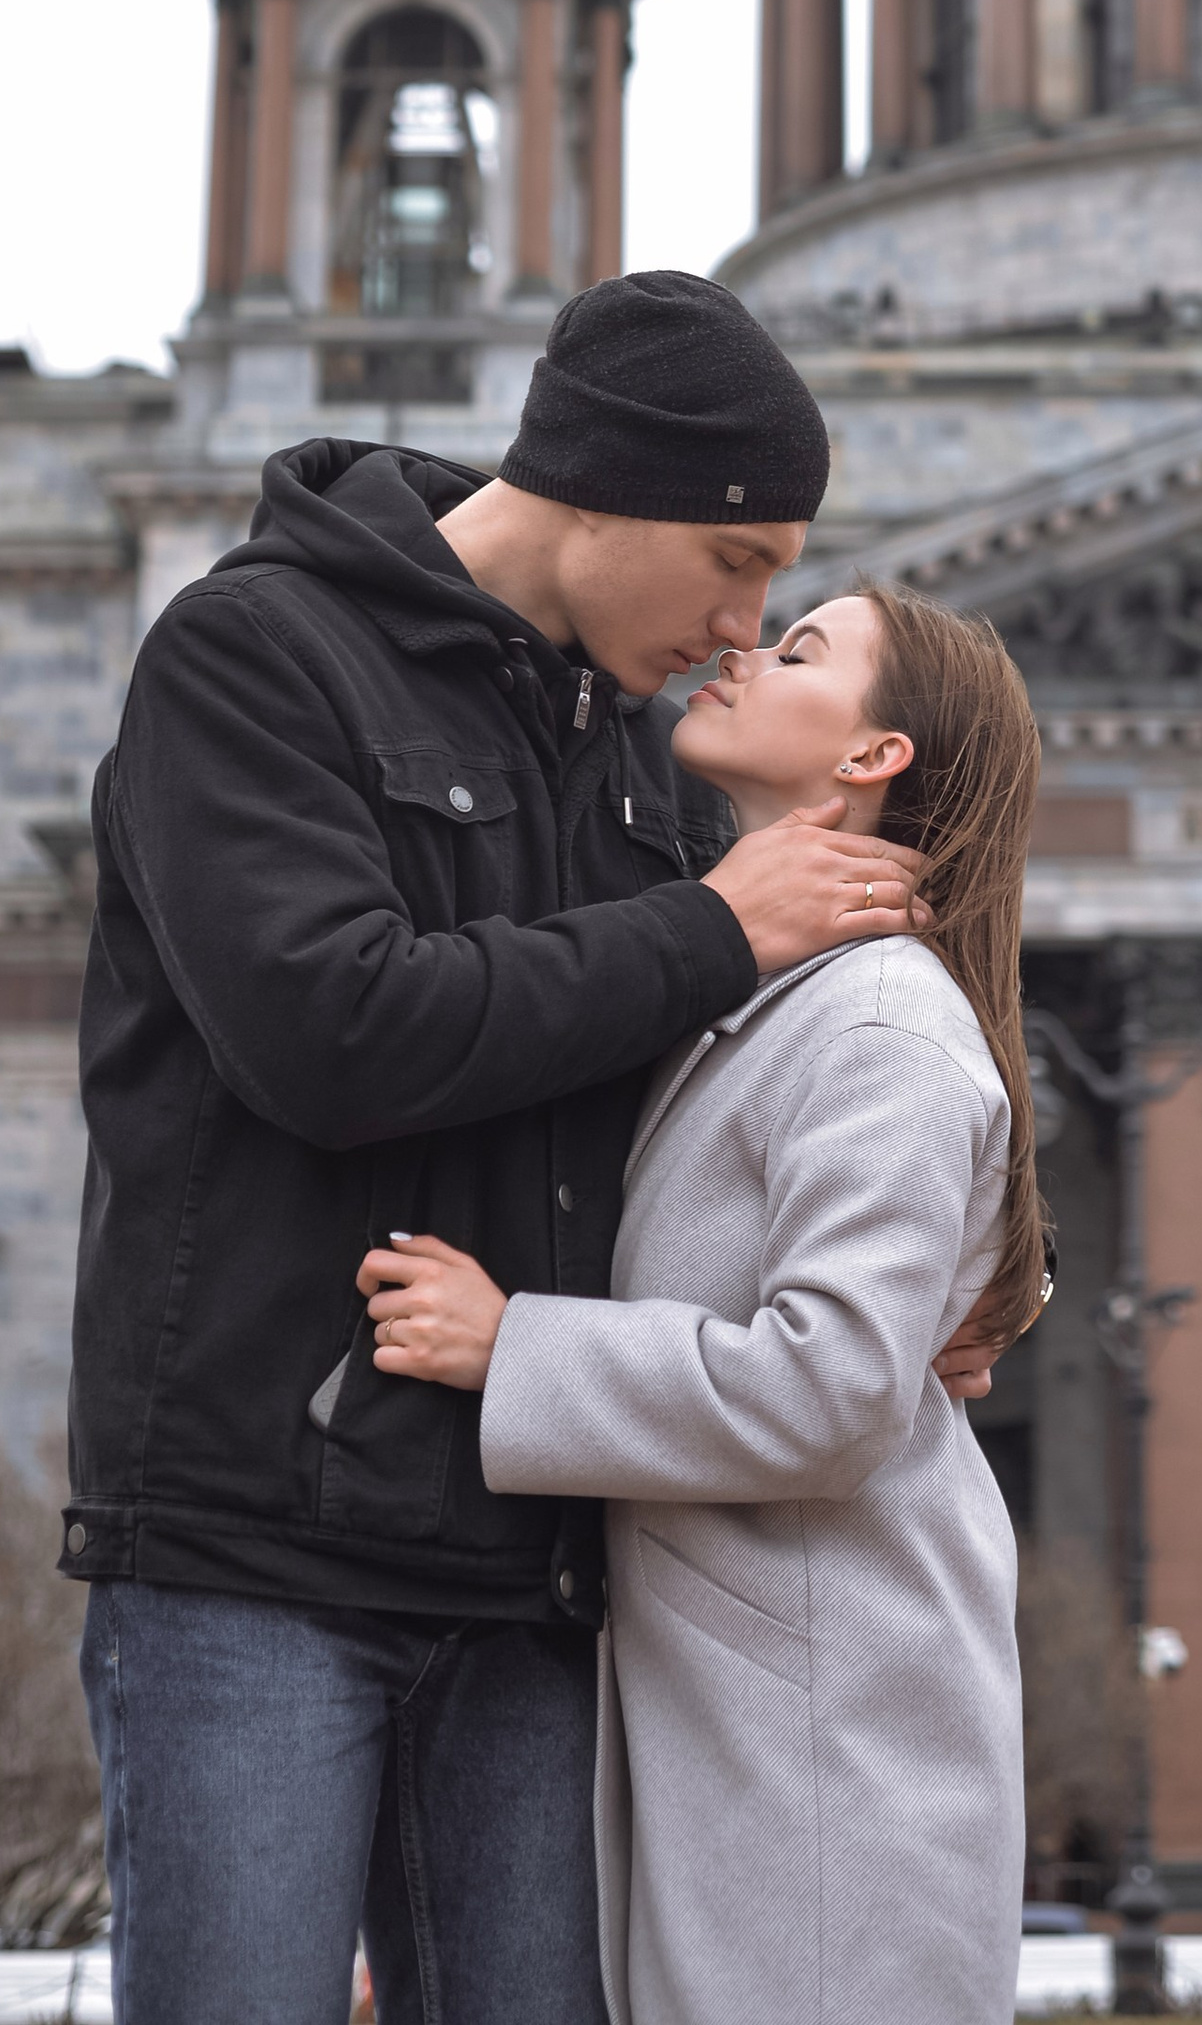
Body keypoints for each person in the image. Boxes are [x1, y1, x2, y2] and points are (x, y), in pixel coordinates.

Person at [65, 271, 970, 2025]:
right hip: (262, 1554)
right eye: (738, 560)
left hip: (535, 1569)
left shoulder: (639, 750)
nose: (746, 624)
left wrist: (959, 1261)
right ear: (615, 492)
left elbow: (742, 1097)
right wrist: (711, 926)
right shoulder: (249, 657)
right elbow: (328, 1035)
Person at [361, 583, 1044, 2025]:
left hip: (827, 1764)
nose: (742, 645)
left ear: (875, 757)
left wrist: (511, 1351)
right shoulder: (779, 995)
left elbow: (831, 1393)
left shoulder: (874, 1021)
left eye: (800, 650)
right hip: (763, 1740)